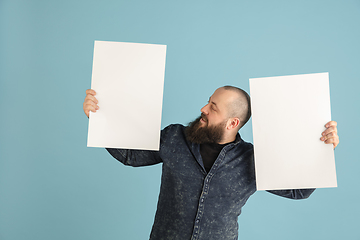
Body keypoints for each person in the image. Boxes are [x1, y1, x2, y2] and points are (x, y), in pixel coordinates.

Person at [83, 86, 339, 240]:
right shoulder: (174, 137)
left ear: (232, 123)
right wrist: (99, 116)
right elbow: (130, 155)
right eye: (208, 101)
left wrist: (321, 148)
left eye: (213, 107)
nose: (203, 108)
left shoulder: (253, 160)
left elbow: (299, 190)